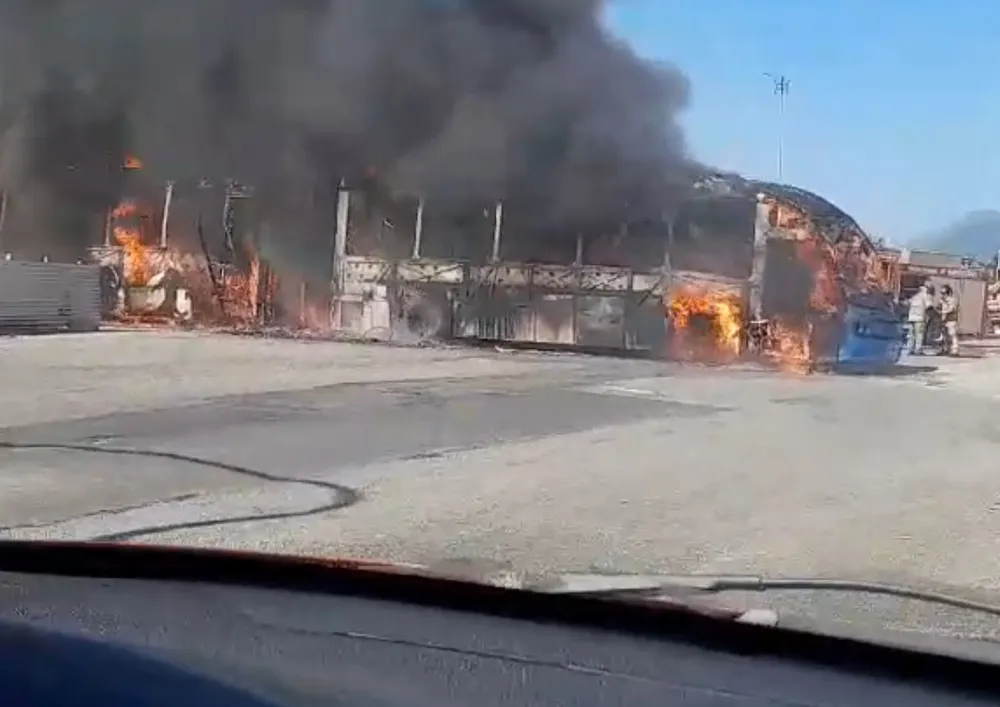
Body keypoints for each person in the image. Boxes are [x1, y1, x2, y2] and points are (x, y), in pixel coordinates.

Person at [906, 282, 933, 355]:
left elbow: (908, 303)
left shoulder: (915, 295)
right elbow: (929, 306)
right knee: (919, 335)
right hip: (920, 318)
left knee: (911, 335)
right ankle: (918, 349)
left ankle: (909, 349)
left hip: (911, 317)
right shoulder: (926, 296)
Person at [939, 284, 960, 356]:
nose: (943, 295)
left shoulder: (952, 300)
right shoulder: (942, 300)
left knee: (952, 335)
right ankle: (945, 349)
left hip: (951, 320)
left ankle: (955, 350)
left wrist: (943, 312)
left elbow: (952, 309)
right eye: (941, 293)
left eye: (944, 293)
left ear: (948, 293)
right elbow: (939, 308)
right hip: (944, 320)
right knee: (944, 336)